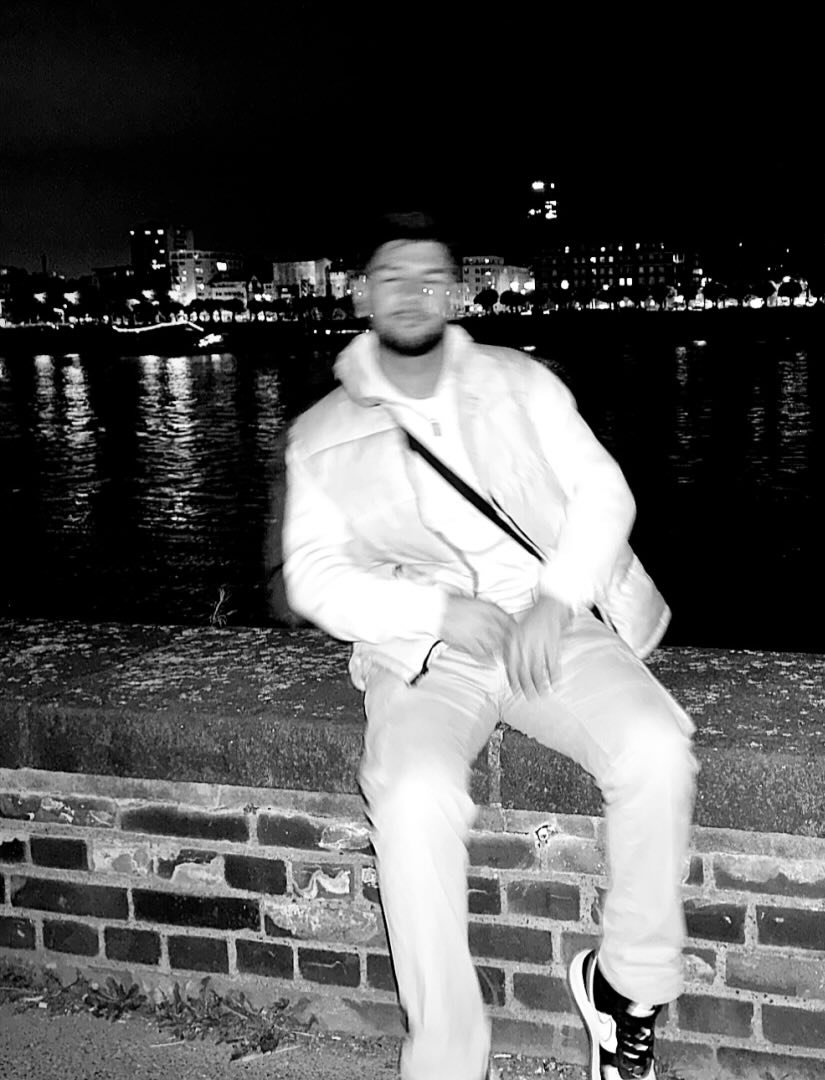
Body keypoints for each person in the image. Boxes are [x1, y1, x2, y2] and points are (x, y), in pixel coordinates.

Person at [281, 212, 698, 1080]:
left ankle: (626, 990)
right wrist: (435, 611)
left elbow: (603, 491)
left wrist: (557, 597)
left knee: (658, 749)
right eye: (392, 276)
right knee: (412, 796)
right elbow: (313, 577)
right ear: (359, 294)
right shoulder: (319, 435)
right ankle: (446, 1060)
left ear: (457, 292)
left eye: (429, 277)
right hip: (421, 654)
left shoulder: (519, 382)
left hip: (552, 628)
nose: (411, 294)